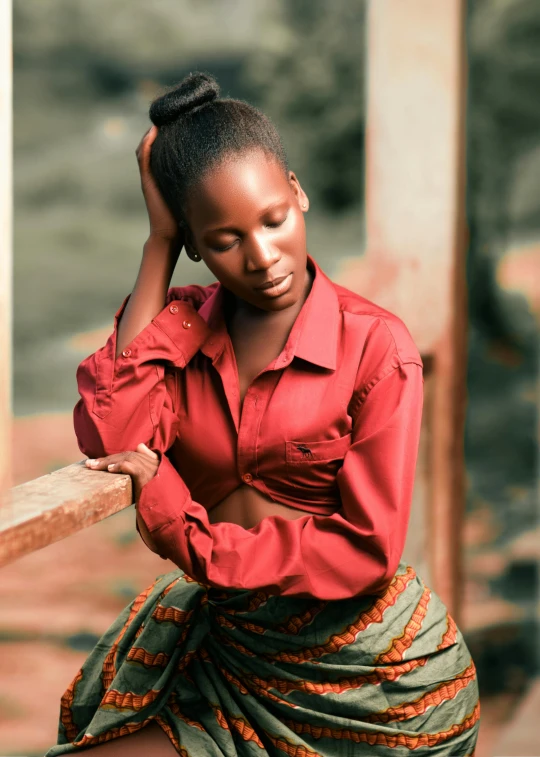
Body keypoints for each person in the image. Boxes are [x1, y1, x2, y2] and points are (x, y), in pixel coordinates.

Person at [45, 71, 480, 756]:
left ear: (298, 192)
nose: (262, 256)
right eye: (223, 238)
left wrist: (184, 531)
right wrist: (157, 240)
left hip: (374, 685)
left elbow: (364, 549)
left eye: (275, 219)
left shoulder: (377, 347)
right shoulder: (181, 330)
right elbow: (114, 433)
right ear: (194, 240)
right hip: (234, 659)